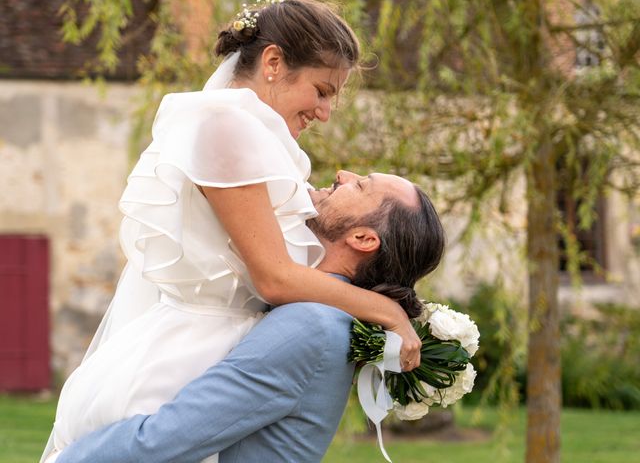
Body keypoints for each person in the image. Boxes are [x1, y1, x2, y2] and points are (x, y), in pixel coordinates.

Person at [41, 0, 423, 462]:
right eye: (322, 91)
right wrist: (387, 311)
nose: (325, 112)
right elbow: (274, 277)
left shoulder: (260, 137)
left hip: (230, 347)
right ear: (274, 62)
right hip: (185, 357)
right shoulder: (226, 126)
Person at [50, 170, 446, 463]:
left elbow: (166, 439)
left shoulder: (311, 325)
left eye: (360, 186)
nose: (343, 174)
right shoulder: (319, 313)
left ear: (363, 239)